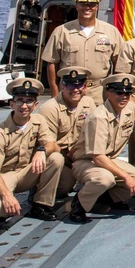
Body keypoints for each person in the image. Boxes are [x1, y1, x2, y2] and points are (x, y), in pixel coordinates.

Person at [68, 74, 135, 223]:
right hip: (86, 161)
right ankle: (79, 205)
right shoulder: (99, 117)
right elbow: (97, 157)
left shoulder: (129, 108)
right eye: (119, 93)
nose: (124, 97)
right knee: (104, 179)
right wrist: (126, 177)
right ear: (108, 94)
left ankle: (106, 198)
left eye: (127, 93)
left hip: (109, 159)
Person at [0, 78, 62, 223]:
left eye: (29, 101)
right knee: (0, 210)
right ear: (12, 104)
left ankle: (41, 205)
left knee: (56, 158)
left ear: (35, 105)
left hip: (26, 173)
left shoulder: (38, 121)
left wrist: (41, 150)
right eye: (19, 101)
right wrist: (7, 196)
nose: (24, 106)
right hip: (3, 176)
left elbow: (53, 145)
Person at [41, 0, 123, 102]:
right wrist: (54, 91)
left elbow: (119, 63)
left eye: (91, 4)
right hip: (69, 90)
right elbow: (52, 63)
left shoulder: (111, 31)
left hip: (99, 92)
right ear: (76, 6)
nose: (87, 7)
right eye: (83, 4)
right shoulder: (62, 31)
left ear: (97, 7)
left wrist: (115, 90)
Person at [37, 66, 97, 200]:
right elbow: (49, 143)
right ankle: (40, 197)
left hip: (78, 154)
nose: (75, 89)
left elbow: (92, 134)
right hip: (58, 155)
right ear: (62, 87)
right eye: (70, 86)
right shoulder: (49, 108)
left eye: (79, 85)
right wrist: (69, 159)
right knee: (64, 185)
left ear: (85, 87)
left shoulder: (89, 103)